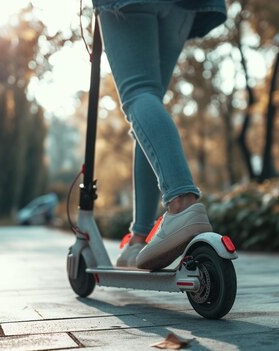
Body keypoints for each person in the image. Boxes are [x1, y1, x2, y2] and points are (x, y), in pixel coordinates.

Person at [91, 0, 227, 270]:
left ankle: (182, 202)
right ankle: (138, 239)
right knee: (149, 100)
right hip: (182, 7)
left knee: (139, 94)